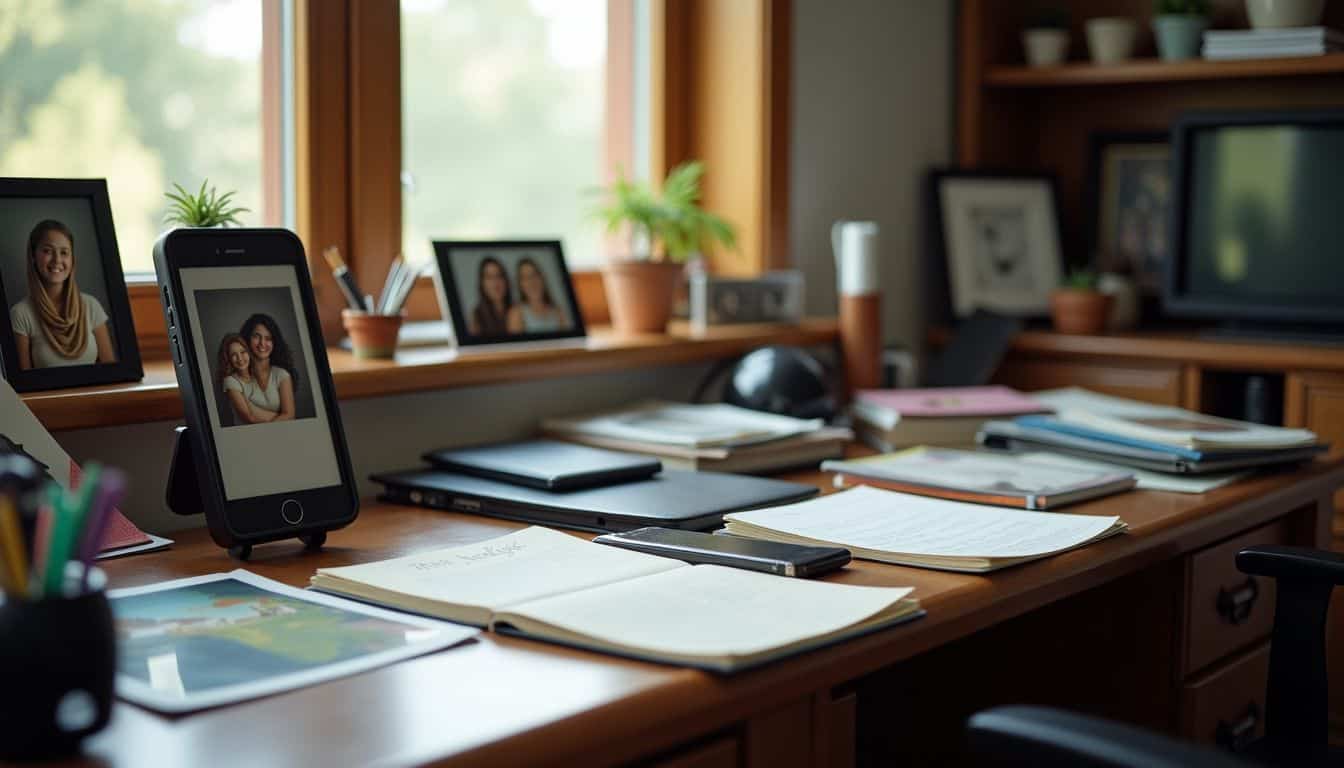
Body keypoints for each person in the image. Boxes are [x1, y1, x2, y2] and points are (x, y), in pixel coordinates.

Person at [10, 219, 117, 370]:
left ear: (72, 259)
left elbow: (111, 372)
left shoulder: (91, 306)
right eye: (47, 251)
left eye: (64, 252)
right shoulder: (21, 314)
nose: (57, 260)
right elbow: (23, 386)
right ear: (33, 256)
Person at [238, 313, 296, 421]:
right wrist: (279, 417)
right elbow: (247, 415)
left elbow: (290, 416)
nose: (262, 343)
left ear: (274, 343)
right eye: (256, 336)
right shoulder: (236, 377)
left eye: (268, 338)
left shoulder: (282, 375)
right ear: (247, 339)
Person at [217, 333, 279, 425]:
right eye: (234, 354)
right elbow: (250, 418)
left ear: (249, 353)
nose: (240, 358)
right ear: (228, 359)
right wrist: (283, 418)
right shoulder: (230, 381)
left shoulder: (258, 376)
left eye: (243, 352)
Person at [506, 258, 567, 333]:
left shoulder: (558, 312)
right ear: (520, 284)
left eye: (534, 275)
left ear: (542, 278)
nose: (531, 281)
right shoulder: (516, 313)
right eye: (525, 278)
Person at [468, 256, 512, 336]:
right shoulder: (476, 316)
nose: (495, 282)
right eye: (489, 277)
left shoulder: (518, 309)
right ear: (482, 284)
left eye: (499, 276)